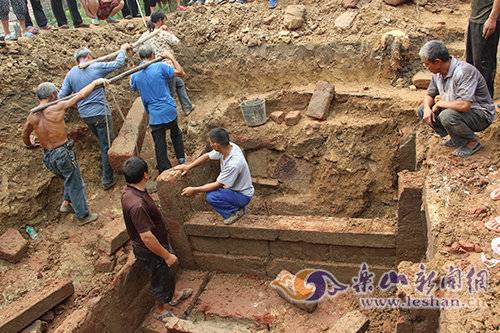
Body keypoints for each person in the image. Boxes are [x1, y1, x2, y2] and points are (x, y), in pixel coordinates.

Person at [22, 79, 106, 225]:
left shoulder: (32, 116)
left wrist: (30, 144)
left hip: (48, 157)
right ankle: (83, 215)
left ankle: (66, 203)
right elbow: (80, 95)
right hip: (62, 153)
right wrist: (94, 83)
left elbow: (24, 134)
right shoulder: (57, 107)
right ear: (54, 94)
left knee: (69, 178)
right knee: (75, 183)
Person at [121, 156, 192, 322]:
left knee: (165, 273)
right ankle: (160, 310)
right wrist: (166, 255)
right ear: (145, 175)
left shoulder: (129, 192)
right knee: (159, 278)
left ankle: (174, 295)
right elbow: (146, 237)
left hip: (157, 245)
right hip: (150, 250)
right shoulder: (137, 205)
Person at [59, 44, 132, 190]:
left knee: (104, 144)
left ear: (77, 60)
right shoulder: (96, 66)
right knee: (107, 147)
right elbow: (118, 63)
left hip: (86, 116)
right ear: (89, 57)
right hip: (100, 113)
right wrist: (123, 49)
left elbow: (61, 96)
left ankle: (109, 171)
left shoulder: (71, 73)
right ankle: (107, 179)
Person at [417, 40, 496, 158]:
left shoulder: (464, 72)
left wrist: (440, 104)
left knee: (447, 116)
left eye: (427, 64)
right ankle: (457, 137)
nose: (425, 67)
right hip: (460, 110)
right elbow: (429, 94)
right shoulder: (438, 74)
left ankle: (472, 143)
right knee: (423, 109)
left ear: (437, 62)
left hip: (481, 114)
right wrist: (428, 109)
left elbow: (464, 105)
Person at [175, 128, 254, 225]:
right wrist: (189, 166)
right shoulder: (228, 147)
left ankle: (234, 212)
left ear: (216, 145)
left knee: (211, 196)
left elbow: (217, 185)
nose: (210, 144)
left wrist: (194, 189)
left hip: (243, 195)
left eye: (211, 142)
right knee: (211, 191)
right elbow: (207, 156)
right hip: (235, 190)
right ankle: (236, 206)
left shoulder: (233, 163)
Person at [130, 45, 187, 173]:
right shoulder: (161, 66)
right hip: (169, 110)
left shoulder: (135, 75)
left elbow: (133, 87)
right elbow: (181, 72)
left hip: (154, 115)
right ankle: (182, 159)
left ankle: (164, 170)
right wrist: (170, 57)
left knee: (159, 143)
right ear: (153, 56)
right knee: (175, 133)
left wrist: (133, 71)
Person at [144, 11, 194, 116]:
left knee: (179, 83)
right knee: (170, 93)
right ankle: (170, 117)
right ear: (160, 21)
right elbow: (176, 42)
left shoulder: (147, 35)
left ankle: (187, 107)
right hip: (168, 67)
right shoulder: (162, 33)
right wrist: (169, 31)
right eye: (164, 19)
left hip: (155, 68)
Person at [467, 0, 500, 97]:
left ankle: (485, 99)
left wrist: (492, 18)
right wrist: (470, 19)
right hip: (476, 18)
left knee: (484, 63)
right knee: (472, 62)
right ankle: (475, 96)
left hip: (486, 19)